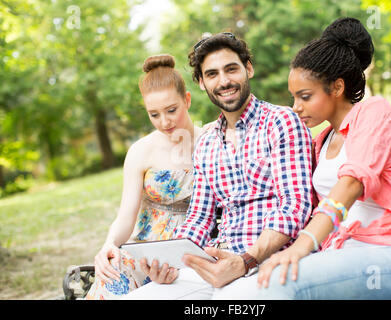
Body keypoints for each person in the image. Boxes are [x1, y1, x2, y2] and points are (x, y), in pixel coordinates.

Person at [254, 17, 391, 300]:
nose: (296, 107)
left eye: (305, 96)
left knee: (280, 282)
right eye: (294, 97)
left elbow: (352, 183)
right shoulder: (321, 141)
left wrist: (303, 244)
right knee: (258, 284)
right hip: (343, 259)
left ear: (337, 88)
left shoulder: (374, 113)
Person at [122, 32, 313, 299]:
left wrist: (246, 260)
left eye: (231, 69)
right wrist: (171, 261)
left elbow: (295, 206)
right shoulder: (207, 143)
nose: (224, 81)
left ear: (248, 68)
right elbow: (199, 219)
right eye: (212, 74)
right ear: (201, 83)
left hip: (268, 260)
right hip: (214, 265)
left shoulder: (281, 121)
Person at [85, 54, 203, 299]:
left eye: (172, 110)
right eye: (154, 114)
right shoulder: (141, 150)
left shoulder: (211, 140)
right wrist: (109, 243)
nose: (165, 122)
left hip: (196, 246)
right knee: (115, 272)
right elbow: (126, 216)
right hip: (147, 249)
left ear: (187, 100)